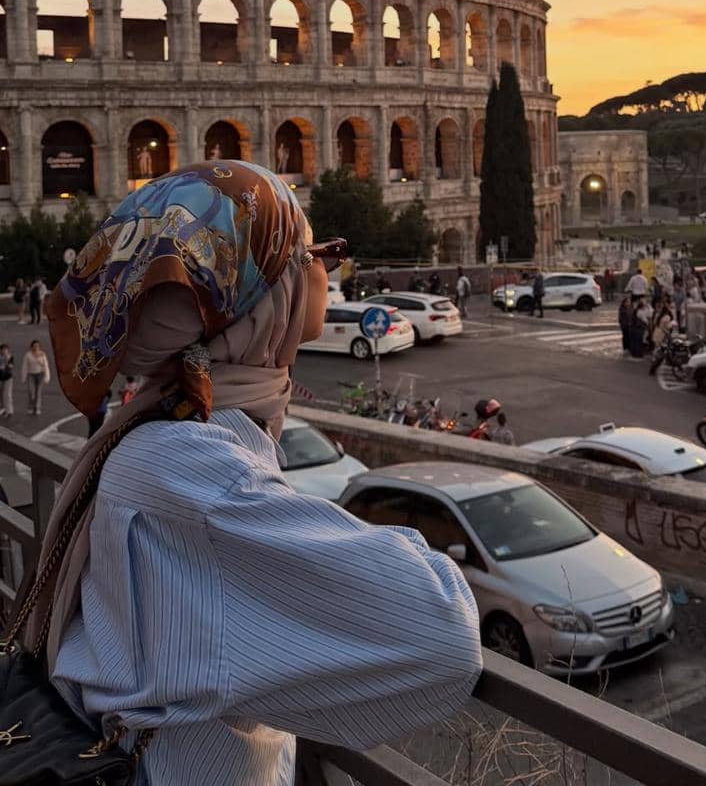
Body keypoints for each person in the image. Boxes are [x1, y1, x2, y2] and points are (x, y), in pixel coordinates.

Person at [24, 162, 482, 785]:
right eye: (316, 252)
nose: (327, 268)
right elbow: (442, 633)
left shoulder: (159, 429)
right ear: (256, 297)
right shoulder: (193, 470)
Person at [21, 338, 50, 415]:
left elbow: (46, 366)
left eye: (37, 346)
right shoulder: (28, 355)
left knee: (38, 392)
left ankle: (37, 407)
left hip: (40, 374)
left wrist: (47, 377)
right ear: (31, 347)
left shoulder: (42, 354)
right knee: (31, 391)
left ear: (39, 347)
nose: (36, 347)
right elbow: (25, 366)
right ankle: (30, 407)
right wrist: (23, 377)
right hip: (31, 375)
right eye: (34, 346)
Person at [0, 343, 14, 418]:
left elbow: (10, 367)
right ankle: (2, 408)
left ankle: (9, 411)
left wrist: (6, 361)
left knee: (7, 394)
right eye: (2, 350)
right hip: (0, 377)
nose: (4, 351)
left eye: (5, 350)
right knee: (1, 394)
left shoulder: (10, 357)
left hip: (8, 378)